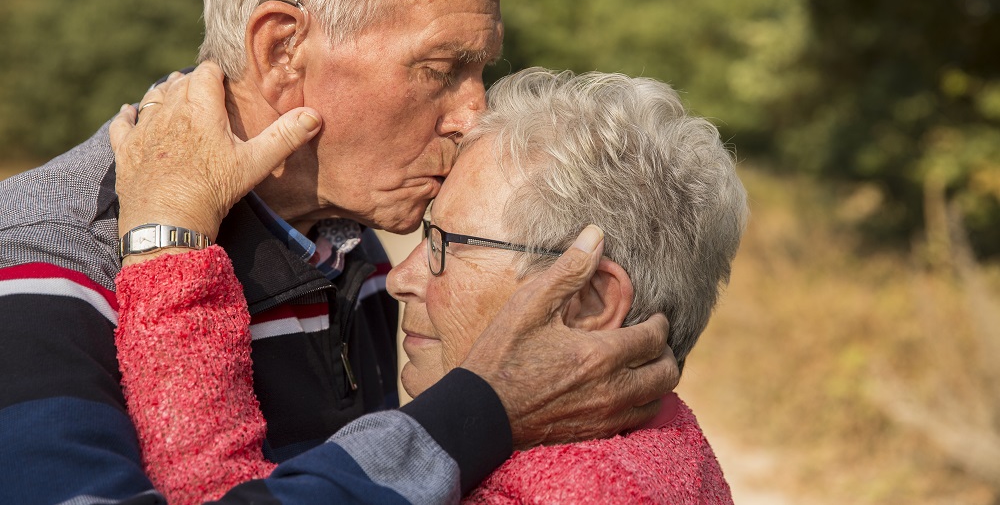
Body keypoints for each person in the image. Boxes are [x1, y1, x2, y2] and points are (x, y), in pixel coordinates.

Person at [0, 0, 679, 504]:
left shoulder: (349, 244)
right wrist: (481, 411)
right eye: (442, 69)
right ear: (283, 49)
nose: (475, 117)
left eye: (482, 71)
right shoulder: (37, 267)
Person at [113, 68, 747, 504]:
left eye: (445, 246)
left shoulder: (570, 491)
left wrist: (168, 244)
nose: (401, 278)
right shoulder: (660, 449)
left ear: (586, 302)